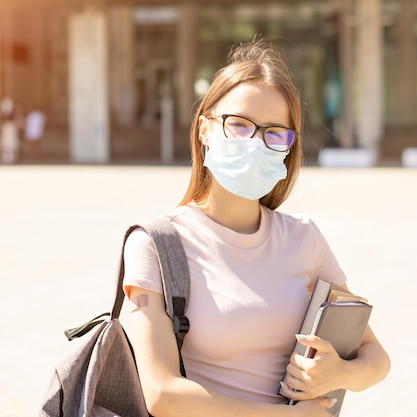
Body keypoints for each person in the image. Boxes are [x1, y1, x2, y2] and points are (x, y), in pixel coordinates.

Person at [122, 38, 390, 417]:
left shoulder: (304, 238)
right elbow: (162, 394)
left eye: (274, 134)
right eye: (239, 125)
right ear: (204, 130)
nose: (255, 143)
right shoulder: (156, 245)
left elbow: (377, 359)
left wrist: (340, 372)